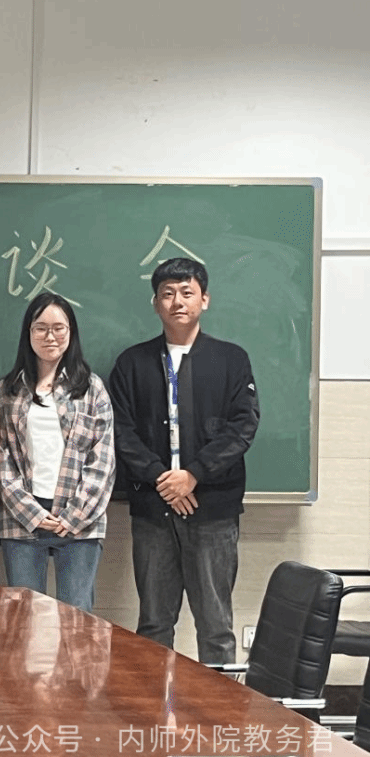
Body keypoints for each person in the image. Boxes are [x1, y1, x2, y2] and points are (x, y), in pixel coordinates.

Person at [109, 258, 260, 663]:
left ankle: (220, 705)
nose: (177, 301)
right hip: (153, 509)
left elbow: (243, 427)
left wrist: (193, 475)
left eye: (187, 292)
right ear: (155, 302)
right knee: (154, 624)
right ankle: (154, 703)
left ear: (204, 299)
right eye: (168, 293)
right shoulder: (132, 363)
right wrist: (163, 479)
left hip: (212, 509)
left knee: (216, 626)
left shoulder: (231, 360)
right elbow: (121, 431)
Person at [0, 292, 116, 612]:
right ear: (28, 333)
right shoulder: (6, 391)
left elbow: (102, 460)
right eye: (41, 328)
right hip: (21, 520)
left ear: (71, 333)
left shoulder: (91, 389)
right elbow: (0, 460)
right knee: (24, 618)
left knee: (77, 618)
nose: (50, 336)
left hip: (80, 521)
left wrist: (74, 515)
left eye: (59, 328)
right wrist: (32, 513)